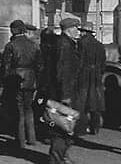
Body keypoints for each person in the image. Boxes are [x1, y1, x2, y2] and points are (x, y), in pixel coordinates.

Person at [46, 16, 83, 164]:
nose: (78, 31)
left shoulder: (67, 44)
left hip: (66, 91)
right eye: (76, 28)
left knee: (67, 126)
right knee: (61, 127)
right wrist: (65, 95)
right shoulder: (64, 45)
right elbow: (62, 72)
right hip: (63, 94)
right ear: (68, 30)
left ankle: (62, 156)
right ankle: (56, 159)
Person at [1, 19, 41, 150]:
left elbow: (5, 66)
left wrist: (4, 82)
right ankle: (32, 138)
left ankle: (20, 140)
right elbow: (40, 65)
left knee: (18, 111)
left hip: (15, 79)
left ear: (13, 30)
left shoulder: (10, 45)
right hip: (30, 79)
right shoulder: (34, 45)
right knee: (29, 108)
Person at [78, 22, 106, 135]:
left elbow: (79, 61)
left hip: (84, 74)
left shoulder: (80, 43)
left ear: (84, 32)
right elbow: (103, 63)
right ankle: (95, 127)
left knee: (82, 101)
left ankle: (83, 127)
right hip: (96, 75)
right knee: (95, 102)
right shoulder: (99, 44)